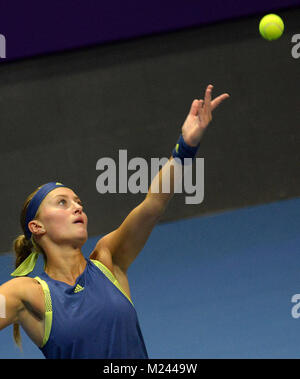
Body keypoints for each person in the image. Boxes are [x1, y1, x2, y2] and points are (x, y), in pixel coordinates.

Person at [0, 84, 229, 359]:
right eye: (62, 202)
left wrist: (185, 149)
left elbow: (153, 204)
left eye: (78, 202)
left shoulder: (109, 259)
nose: (77, 207)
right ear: (37, 227)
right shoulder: (26, 294)